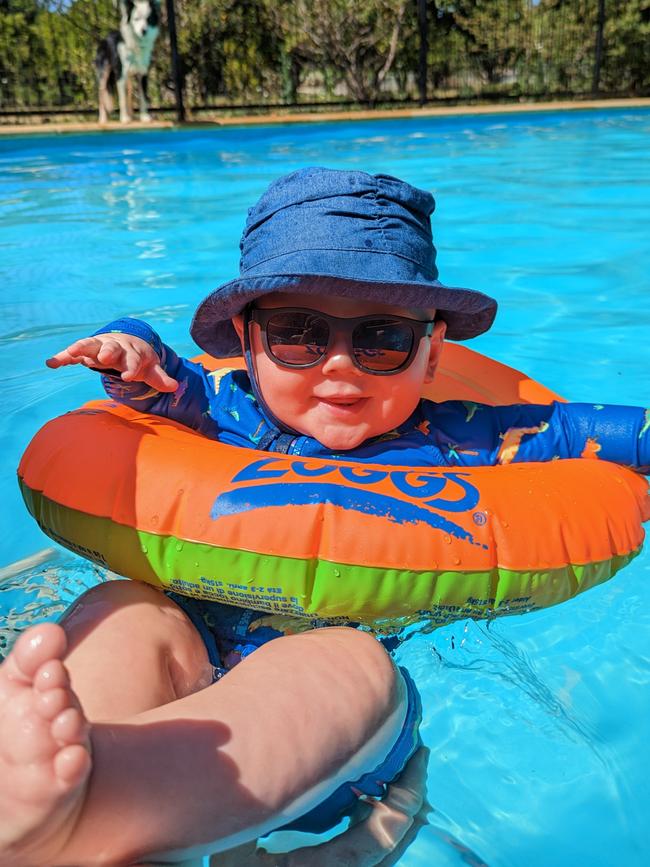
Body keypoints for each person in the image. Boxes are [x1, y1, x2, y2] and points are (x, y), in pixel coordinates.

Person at [2, 167, 648, 866]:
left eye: (381, 339)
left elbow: (581, 428)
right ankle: (61, 787)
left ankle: (106, 803)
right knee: (124, 608)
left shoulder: (458, 440)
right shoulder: (224, 409)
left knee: (351, 659)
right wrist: (128, 349)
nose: (340, 364)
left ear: (432, 352)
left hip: (323, 747)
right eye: (299, 334)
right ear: (246, 342)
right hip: (181, 664)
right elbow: (156, 375)